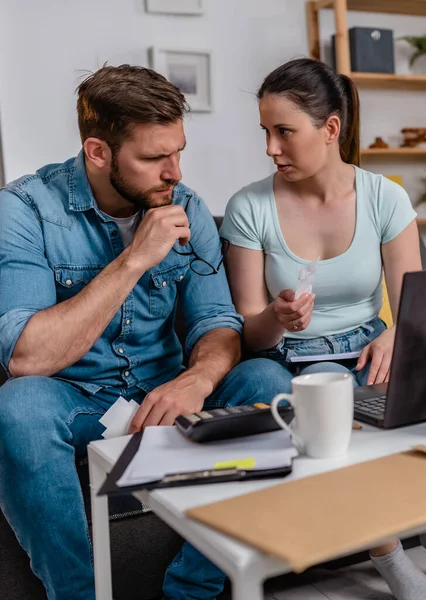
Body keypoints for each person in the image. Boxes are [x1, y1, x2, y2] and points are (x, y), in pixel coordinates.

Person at [0, 65, 289, 600]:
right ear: (98, 151)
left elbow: (217, 323)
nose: (174, 171)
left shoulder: (189, 206)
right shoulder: (24, 209)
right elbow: (26, 357)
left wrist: (197, 379)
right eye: (155, 158)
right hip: (78, 399)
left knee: (268, 381)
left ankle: (189, 592)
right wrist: (134, 259)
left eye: (178, 151)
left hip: (166, 391)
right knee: (17, 406)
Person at [220, 57, 425, 600]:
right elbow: (248, 331)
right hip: (288, 360)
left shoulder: (385, 198)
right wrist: (275, 316)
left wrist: (393, 334)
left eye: (283, 131)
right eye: (265, 132)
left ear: (330, 129)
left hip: (368, 352)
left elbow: (412, 310)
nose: (270, 148)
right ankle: (391, 558)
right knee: (331, 397)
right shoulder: (249, 208)